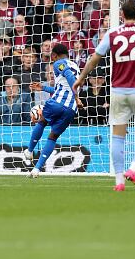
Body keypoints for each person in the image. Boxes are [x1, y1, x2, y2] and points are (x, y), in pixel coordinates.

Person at [74, 0, 135, 191]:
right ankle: (134, 168)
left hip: (117, 91)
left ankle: (119, 182)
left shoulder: (112, 33)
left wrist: (82, 77)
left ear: (122, 15)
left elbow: (95, 59)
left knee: (118, 136)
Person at [25, 43, 80, 178]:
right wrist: (43, 88)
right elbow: (61, 88)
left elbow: (69, 78)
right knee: (53, 136)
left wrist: (77, 97)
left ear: (54, 55)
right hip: (71, 109)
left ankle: (30, 150)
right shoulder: (75, 66)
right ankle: (37, 169)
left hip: (58, 102)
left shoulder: (58, 63)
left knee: (42, 121)